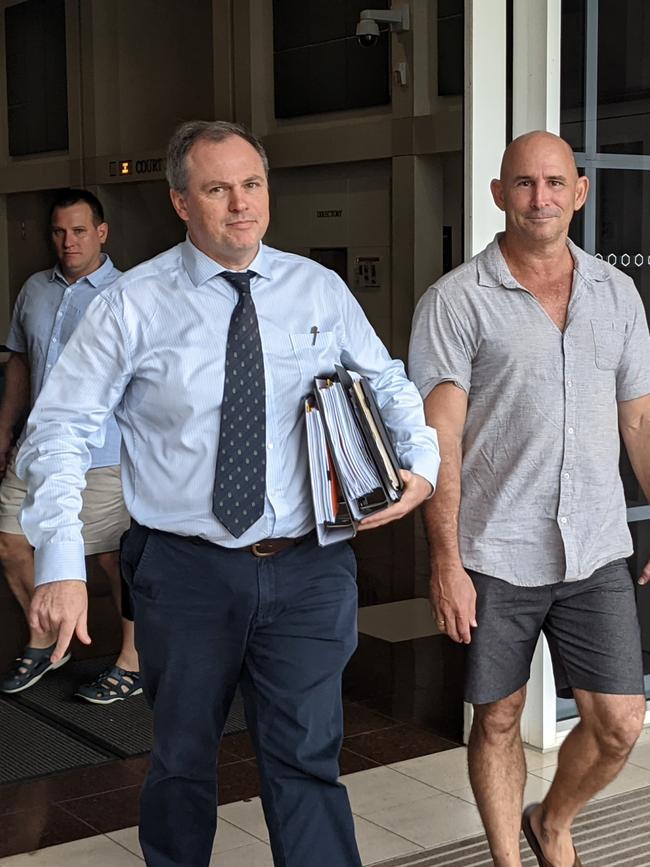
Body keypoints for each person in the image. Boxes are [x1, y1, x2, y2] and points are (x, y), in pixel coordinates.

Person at [16, 121, 440, 867]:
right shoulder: (132, 305)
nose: (241, 205)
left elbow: (390, 382)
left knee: (308, 759)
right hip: (186, 571)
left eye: (252, 185)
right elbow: (59, 431)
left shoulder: (318, 288)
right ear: (182, 202)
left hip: (309, 568)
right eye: (218, 189)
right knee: (182, 760)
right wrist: (57, 559)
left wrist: (423, 464)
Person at [409, 131, 650, 867]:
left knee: (620, 721)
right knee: (500, 716)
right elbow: (439, 439)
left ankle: (552, 821)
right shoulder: (455, 301)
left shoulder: (618, 292)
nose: (538, 198)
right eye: (522, 183)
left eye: (553, 183)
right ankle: (509, 861)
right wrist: (445, 561)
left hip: (597, 545)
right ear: (498, 195)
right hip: (495, 549)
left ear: (579, 191)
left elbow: (639, 417)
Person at [0, 188, 140, 704]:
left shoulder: (129, 292)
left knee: (110, 559)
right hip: (36, 445)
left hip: (102, 451)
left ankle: (132, 658)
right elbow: (19, 361)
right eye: (59, 231)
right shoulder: (35, 289)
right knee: (9, 541)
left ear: (101, 233)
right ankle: (43, 641)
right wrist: (4, 428)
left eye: (79, 231)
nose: (68, 241)